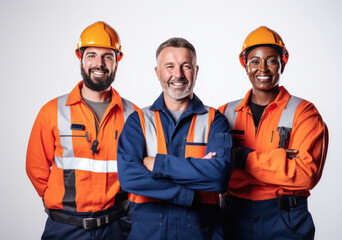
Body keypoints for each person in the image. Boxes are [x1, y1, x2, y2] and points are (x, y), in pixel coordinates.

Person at [26, 21, 138, 240]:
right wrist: (59, 202)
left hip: (116, 228)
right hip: (65, 228)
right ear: (80, 58)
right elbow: (35, 167)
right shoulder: (53, 111)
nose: (99, 63)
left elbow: (137, 169)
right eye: (91, 55)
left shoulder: (131, 114)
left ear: (117, 61)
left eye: (107, 56)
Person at [219, 26, 329, 240]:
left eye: (271, 60)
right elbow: (216, 169)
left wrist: (242, 157)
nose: (263, 69)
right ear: (245, 65)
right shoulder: (224, 113)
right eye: (255, 61)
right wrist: (279, 161)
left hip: (287, 220)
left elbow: (306, 175)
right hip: (233, 217)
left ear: (282, 64)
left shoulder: (304, 113)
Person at [117, 37, 232, 239]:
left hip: (202, 234)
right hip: (148, 235)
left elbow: (219, 177)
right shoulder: (139, 121)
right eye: (169, 66)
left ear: (196, 71)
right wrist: (187, 191)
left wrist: (156, 164)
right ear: (157, 72)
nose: (177, 74)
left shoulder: (215, 120)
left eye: (185, 66)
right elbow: (129, 178)